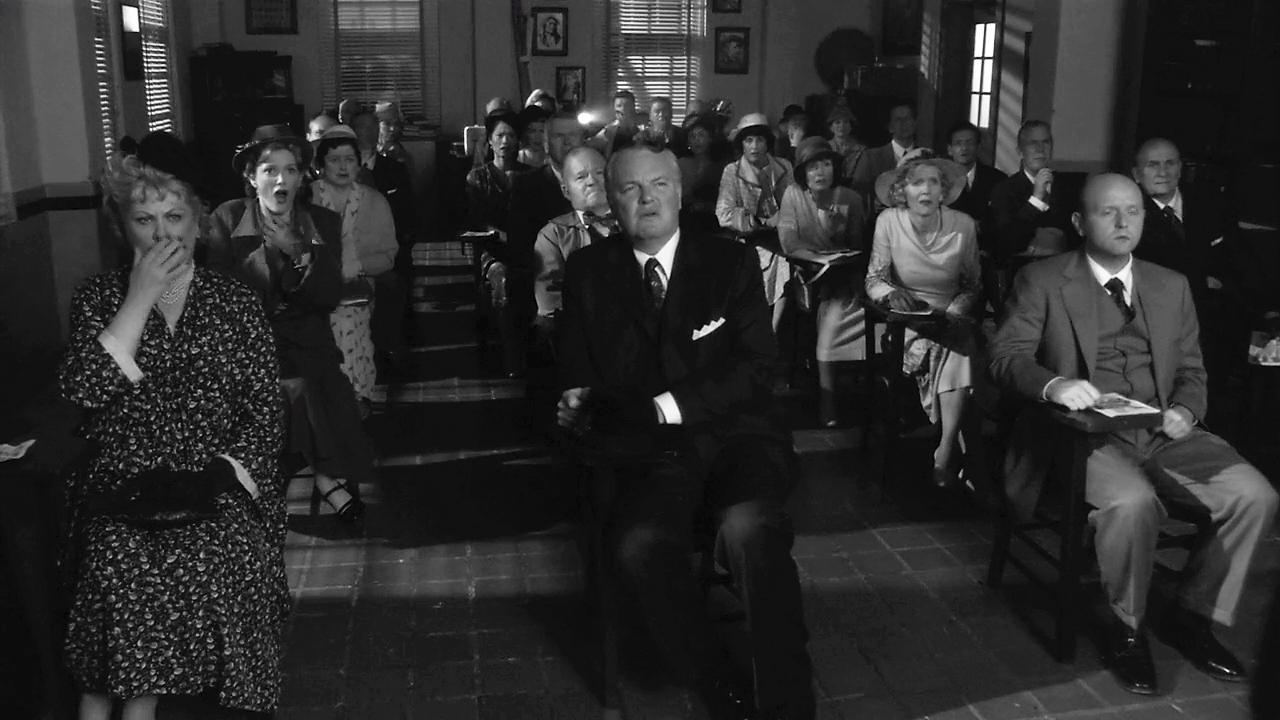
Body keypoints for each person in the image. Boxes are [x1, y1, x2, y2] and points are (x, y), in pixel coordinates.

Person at [989, 173, 1278, 696]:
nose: (1124, 223)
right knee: (1133, 503)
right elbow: (1006, 357)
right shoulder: (1043, 279)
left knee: (1256, 496)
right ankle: (1127, 628)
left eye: (1134, 212)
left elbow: (1192, 370)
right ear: (1079, 222)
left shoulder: (1170, 284)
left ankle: (1193, 615)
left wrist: (1188, 411)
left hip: (1164, 431)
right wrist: (1054, 385)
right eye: (1108, 212)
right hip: (1081, 436)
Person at [556, 143, 815, 720]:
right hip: (651, 454)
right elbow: (575, 364)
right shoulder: (589, 270)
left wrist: (666, 406)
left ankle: (789, 705)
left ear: (680, 193)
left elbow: (754, 368)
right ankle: (715, 679)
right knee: (640, 545)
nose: (646, 200)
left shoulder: (730, 262)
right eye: (629, 189)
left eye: (660, 186)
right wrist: (572, 396)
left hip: (739, 439)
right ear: (609, 198)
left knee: (750, 530)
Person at [60, 132, 288, 718]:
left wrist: (224, 473)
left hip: (215, 489)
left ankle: (140, 706)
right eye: (144, 219)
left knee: (219, 549)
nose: (162, 234)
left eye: (174, 215)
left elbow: (265, 416)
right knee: (119, 558)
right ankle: (129, 705)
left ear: (198, 222)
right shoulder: (96, 300)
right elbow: (83, 393)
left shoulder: (236, 304)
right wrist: (138, 301)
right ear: (123, 228)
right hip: (123, 490)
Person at [208, 124, 373, 524]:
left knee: (317, 382)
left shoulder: (322, 223)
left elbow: (330, 296)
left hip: (309, 341)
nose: (281, 180)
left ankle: (309, 478)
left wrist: (306, 265)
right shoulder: (228, 219)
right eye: (269, 170)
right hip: (251, 348)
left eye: (291, 170)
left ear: (302, 176)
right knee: (294, 390)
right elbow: (220, 298)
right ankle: (325, 479)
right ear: (252, 177)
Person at [865, 151, 985, 490]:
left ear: (944, 191)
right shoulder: (888, 221)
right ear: (903, 189)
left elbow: (972, 285)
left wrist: (954, 313)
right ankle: (953, 452)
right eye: (918, 182)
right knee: (961, 351)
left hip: (950, 318)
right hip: (903, 324)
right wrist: (890, 296)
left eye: (934, 182)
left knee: (958, 341)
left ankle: (945, 450)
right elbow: (873, 278)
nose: (926, 190)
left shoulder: (963, 225)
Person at [778, 137, 868, 426]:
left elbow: (859, 245)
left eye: (826, 164)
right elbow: (789, 243)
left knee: (844, 300)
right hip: (806, 272)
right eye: (813, 166)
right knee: (826, 300)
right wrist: (819, 257)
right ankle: (827, 398)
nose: (820, 172)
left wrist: (836, 238)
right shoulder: (793, 195)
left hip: (845, 273)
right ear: (803, 172)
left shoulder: (850, 198)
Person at [310, 125, 399, 406]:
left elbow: (388, 256)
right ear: (320, 165)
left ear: (359, 164)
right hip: (310, 287)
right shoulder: (305, 199)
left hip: (357, 285)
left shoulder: (375, 201)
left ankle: (353, 397)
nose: (343, 166)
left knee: (346, 318)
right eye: (334, 159)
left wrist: (354, 266)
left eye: (349, 159)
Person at [716, 112, 794, 333]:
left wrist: (782, 218)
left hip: (780, 239)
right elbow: (723, 213)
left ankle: (773, 332)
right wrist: (756, 221)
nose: (754, 146)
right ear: (741, 143)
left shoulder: (783, 166)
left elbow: (794, 203)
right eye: (748, 140)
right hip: (746, 240)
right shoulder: (732, 171)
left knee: (785, 265)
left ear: (768, 142)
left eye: (759, 140)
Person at [533, 146, 612, 327]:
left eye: (599, 172)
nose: (592, 181)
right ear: (566, 191)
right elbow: (550, 303)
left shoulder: (634, 223)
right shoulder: (554, 234)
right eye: (581, 177)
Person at [988, 120, 1074, 262]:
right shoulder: (1004, 190)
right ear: (1020, 152)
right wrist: (1036, 200)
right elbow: (1004, 242)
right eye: (1032, 143)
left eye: (1045, 142)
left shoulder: (1068, 186)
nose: (1040, 149)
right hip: (1021, 270)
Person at [945, 121, 1004, 233]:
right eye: (958, 143)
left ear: (978, 146)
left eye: (969, 142)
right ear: (949, 149)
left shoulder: (997, 179)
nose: (964, 148)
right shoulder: (940, 179)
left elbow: (1001, 218)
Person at [850, 102, 917, 200]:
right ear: (890, 127)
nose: (904, 123)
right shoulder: (871, 158)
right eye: (898, 120)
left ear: (915, 123)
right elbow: (858, 194)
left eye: (908, 118)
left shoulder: (926, 155)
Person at [677, 113, 727, 234]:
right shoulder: (680, 164)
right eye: (692, 136)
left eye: (701, 135)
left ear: (710, 138)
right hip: (685, 222)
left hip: (714, 222)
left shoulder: (721, 166)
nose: (696, 140)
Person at [825, 105, 867, 190]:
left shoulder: (861, 150)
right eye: (837, 122)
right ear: (831, 127)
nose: (842, 126)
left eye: (846, 122)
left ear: (851, 126)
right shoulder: (824, 148)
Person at [592, 90, 640, 157]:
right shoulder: (608, 131)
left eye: (626, 106)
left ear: (633, 107)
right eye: (619, 106)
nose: (622, 109)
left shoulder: (642, 129)